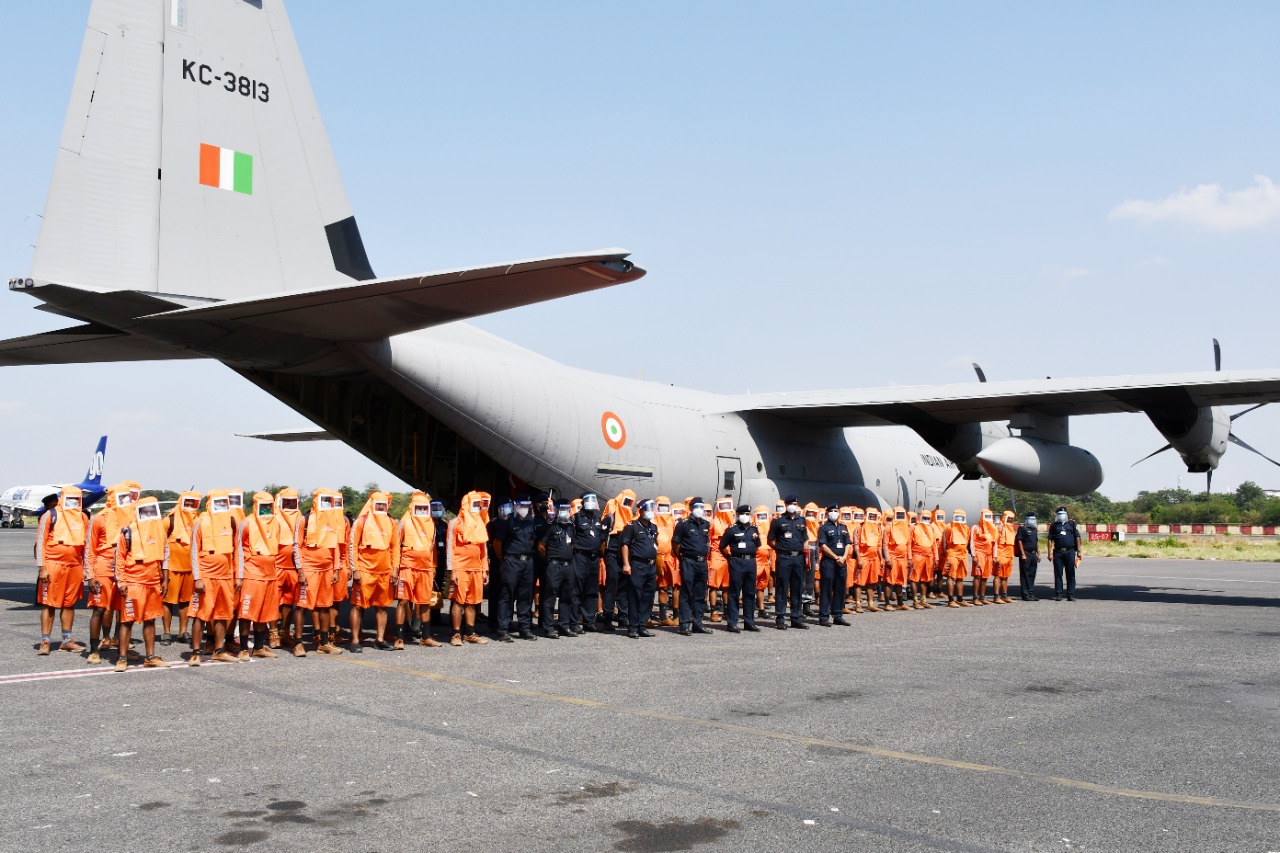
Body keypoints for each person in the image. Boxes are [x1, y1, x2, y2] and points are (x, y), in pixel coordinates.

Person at [110, 496, 170, 671]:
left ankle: (150, 656)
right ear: (138, 512)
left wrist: (165, 579)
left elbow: (165, 556)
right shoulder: (128, 531)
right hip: (133, 581)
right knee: (126, 620)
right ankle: (122, 657)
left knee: (150, 620)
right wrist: (121, 582)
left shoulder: (160, 531)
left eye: (153, 510)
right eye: (146, 511)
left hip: (152, 582)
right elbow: (119, 558)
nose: (150, 514)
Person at [84, 482, 135, 663]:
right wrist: (90, 576)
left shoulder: (132, 519)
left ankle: (122, 651)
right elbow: (90, 549)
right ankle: (93, 650)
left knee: (125, 612)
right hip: (103, 568)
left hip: (124, 569)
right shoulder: (100, 518)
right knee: (99, 609)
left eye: (127, 498)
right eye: (121, 498)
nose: (125, 502)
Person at [35, 486, 89, 656]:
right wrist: (42, 568)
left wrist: (86, 568)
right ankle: (45, 641)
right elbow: (40, 543)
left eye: (76, 499)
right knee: (49, 604)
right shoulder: (50, 515)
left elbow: (86, 546)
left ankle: (66, 640)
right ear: (62, 498)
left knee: (69, 604)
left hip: (74, 566)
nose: (73, 502)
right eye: (70, 498)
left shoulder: (82, 517)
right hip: (53, 565)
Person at [190, 491, 240, 664]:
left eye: (223, 503)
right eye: (217, 503)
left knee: (222, 614)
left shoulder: (232, 522)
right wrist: (197, 578)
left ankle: (219, 650)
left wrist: (238, 576)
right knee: (200, 614)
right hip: (206, 575)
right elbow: (194, 551)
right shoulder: (200, 523)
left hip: (225, 576)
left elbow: (237, 550)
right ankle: (196, 652)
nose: (221, 507)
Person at [293, 489, 345, 655]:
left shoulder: (333, 521)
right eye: (324, 500)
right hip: (309, 569)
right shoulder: (304, 520)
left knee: (325, 606)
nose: (327, 504)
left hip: (327, 570)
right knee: (302, 606)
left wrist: (336, 569)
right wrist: (300, 570)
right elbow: (297, 545)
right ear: (316, 501)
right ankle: (298, 643)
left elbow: (336, 546)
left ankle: (324, 642)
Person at [348, 491, 400, 651]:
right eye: (378, 504)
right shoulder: (361, 522)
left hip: (384, 572)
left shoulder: (391, 522)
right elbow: (352, 546)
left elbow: (395, 547)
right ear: (371, 504)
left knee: (382, 607)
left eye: (384, 505)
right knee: (358, 605)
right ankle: (355, 640)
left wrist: (395, 568)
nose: (381, 507)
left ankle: (380, 639)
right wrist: (355, 568)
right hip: (364, 570)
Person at [235, 492, 281, 660]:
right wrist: (239, 576)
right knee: (247, 613)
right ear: (256, 506)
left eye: (270, 506)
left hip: (270, 575)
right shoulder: (246, 524)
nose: (267, 509)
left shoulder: (276, 523)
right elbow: (238, 551)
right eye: (264, 506)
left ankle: (260, 647)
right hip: (251, 573)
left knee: (265, 613)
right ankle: (244, 649)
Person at [396, 491, 442, 647]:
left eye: (424, 507)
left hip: (426, 568)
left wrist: (433, 566)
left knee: (424, 602)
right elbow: (395, 547)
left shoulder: (431, 524)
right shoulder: (404, 522)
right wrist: (395, 569)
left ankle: (426, 637)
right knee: (403, 601)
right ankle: (399, 637)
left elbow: (433, 548)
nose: (422, 510)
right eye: (418, 507)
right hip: (407, 567)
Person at [447, 491, 491, 646]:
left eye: (479, 505)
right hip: (460, 567)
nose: (478, 507)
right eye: (475, 504)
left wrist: (485, 569)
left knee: (472, 602)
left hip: (476, 569)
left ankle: (470, 633)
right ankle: (456, 634)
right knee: (458, 601)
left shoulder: (480, 522)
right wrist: (452, 570)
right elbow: (450, 548)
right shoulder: (456, 522)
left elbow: (483, 548)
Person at [495, 493, 539, 642]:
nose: (525, 509)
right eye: (523, 506)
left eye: (527, 506)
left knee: (526, 597)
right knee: (507, 595)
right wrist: (504, 559)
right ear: (516, 506)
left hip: (527, 562)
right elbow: (497, 544)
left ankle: (524, 628)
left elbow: (533, 540)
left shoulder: (530, 522)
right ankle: (503, 629)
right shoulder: (507, 521)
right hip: (512, 561)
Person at [161, 491, 201, 646]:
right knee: (167, 601)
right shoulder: (169, 520)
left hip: (190, 568)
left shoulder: (200, 520)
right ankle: (166, 632)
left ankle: (183, 631)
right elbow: (161, 543)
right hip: (171, 567)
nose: (190, 505)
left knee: (186, 602)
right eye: (187, 502)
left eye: (193, 503)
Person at [671, 497, 712, 635]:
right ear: (690, 508)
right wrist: (682, 558)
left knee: (700, 593)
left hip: (702, 562)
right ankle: (684, 624)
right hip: (688, 561)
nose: (700, 509)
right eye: (697, 507)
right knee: (687, 592)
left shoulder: (706, 524)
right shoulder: (683, 524)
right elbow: (675, 544)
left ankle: (698, 623)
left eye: (702, 506)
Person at [719, 504, 762, 632]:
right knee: (734, 593)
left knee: (749, 593)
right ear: (738, 515)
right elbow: (722, 546)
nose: (745, 516)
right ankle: (732, 623)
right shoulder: (732, 529)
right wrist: (730, 558)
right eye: (743, 514)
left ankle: (749, 622)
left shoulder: (754, 528)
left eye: (748, 514)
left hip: (750, 562)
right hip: (737, 562)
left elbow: (757, 544)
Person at [620, 498, 659, 639]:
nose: (650, 512)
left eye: (652, 509)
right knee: (635, 596)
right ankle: (633, 627)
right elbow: (625, 545)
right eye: (648, 509)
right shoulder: (632, 526)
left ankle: (642, 625)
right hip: (638, 565)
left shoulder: (653, 527)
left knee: (648, 597)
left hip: (651, 566)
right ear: (641, 511)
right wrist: (626, 564)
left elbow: (656, 545)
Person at [767, 496, 807, 629]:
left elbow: (805, 538)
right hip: (784, 558)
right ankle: (780, 618)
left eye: (794, 504)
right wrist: (779, 550)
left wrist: (806, 554)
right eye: (790, 504)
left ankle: (796, 618)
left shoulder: (802, 520)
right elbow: (770, 539)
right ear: (785, 505)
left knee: (797, 588)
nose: (792, 506)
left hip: (798, 558)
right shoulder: (778, 520)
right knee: (782, 588)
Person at [537, 498, 576, 638]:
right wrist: (548, 560)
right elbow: (541, 546)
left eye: (567, 509)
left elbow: (573, 544)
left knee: (567, 597)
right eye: (563, 509)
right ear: (558, 510)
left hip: (568, 566)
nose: (566, 512)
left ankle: (564, 625)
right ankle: (548, 627)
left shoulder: (571, 527)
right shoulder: (551, 526)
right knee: (550, 596)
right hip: (554, 565)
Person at [570, 491, 606, 635]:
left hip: (594, 558)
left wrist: (600, 555)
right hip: (580, 556)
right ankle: (574, 622)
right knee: (576, 589)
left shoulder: (597, 519)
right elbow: (571, 538)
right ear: (583, 502)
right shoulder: (576, 518)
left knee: (591, 590)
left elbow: (602, 539)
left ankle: (589, 621)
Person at [272, 488, 304, 653]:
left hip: (293, 567)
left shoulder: (300, 517)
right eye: (287, 501)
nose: (290, 505)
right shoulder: (273, 516)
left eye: (293, 501)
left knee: (289, 602)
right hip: (276, 565)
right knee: (274, 602)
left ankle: (285, 632)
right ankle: (273, 634)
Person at [602, 490, 637, 632]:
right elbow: (603, 539)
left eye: (631, 502)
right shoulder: (611, 515)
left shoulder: (630, 516)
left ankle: (623, 617)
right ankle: (608, 619)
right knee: (612, 586)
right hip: (612, 551)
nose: (628, 505)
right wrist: (605, 556)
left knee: (624, 586)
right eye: (626, 501)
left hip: (625, 552)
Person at [816, 504, 852, 626]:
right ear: (827, 514)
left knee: (840, 588)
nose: (834, 513)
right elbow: (823, 546)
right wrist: (836, 557)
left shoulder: (843, 527)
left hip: (842, 561)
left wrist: (844, 557)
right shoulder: (824, 528)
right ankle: (824, 616)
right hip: (829, 561)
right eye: (831, 511)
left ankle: (838, 615)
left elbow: (848, 543)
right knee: (826, 589)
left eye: (836, 511)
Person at [706, 497, 735, 622]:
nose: (725, 509)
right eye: (722, 506)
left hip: (729, 557)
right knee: (713, 585)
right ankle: (714, 611)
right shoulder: (713, 522)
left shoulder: (732, 522)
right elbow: (707, 539)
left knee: (727, 586)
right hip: (716, 556)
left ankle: (727, 611)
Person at [653, 497, 680, 627]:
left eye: (666, 506)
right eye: (661, 505)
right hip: (655, 558)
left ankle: (665, 616)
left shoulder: (673, 521)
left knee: (665, 587)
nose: (663, 508)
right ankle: (646, 616)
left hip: (669, 558)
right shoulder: (652, 520)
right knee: (650, 587)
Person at [852, 507, 883, 613]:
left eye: (875, 516)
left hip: (874, 559)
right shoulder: (859, 527)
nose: (873, 518)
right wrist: (859, 559)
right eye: (871, 516)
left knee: (871, 582)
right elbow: (856, 545)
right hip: (863, 558)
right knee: (859, 582)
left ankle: (870, 604)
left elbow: (879, 545)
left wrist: (881, 558)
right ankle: (857, 604)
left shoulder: (878, 528)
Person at [1048, 505, 1082, 601]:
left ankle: (1070, 594)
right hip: (1058, 552)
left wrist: (1079, 551)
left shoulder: (1071, 524)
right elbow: (1050, 539)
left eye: (1063, 514)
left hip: (1070, 551)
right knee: (1058, 573)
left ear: (1066, 514)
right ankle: (1059, 593)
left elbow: (1077, 537)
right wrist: (1050, 553)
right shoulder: (1054, 525)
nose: (1061, 516)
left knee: (1070, 573)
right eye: (1060, 514)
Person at [882, 506, 911, 611]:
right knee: (889, 581)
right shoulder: (888, 527)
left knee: (900, 580)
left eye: (902, 514)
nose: (900, 516)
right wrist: (887, 559)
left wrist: (909, 558)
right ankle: (887, 603)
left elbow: (908, 544)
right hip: (892, 558)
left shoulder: (907, 527)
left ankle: (900, 603)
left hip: (903, 559)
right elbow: (884, 544)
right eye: (898, 514)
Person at [943, 509, 971, 608]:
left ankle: (960, 599)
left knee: (960, 578)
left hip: (963, 555)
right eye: (958, 516)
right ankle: (951, 600)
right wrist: (947, 554)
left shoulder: (967, 528)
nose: (959, 518)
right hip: (952, 554)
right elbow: (944, 542)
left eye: (961, 516)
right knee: (951, 577)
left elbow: (967, 541)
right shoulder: (949, 526)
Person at [969, 509, 997, 605]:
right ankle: (975, 597)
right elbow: (972, 542)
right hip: (979, 554)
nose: (988, 519)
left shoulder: (993, 529)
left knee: (985, 576)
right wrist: (973, 555)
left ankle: (982, 597)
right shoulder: (976, 527)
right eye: (986, 516)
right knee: (977, 576)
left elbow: (994, 543)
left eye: (990, 516)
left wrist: (995, 555)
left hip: (988, 555)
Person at [909, 510, 936, 610]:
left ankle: (923, 600)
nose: (926, 520)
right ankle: (915, 601)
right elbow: (909, 544)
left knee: (925, 579)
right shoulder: (914, 527)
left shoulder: (931, 528)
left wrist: (936, 557)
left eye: (928, 518)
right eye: (924, 518)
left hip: (928, 556)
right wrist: (910, 557)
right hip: (917, 555)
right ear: (920, 517)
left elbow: (934, 545)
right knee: (914, 578)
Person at [993, 510, 1017, 604]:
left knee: (1005, 577)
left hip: (1009, 556)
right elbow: (994, 542)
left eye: (1012, 518)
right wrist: (996, 556)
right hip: (1001, 555)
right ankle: (996, 597)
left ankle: (1004, 596)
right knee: (998, 576)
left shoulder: (1011, 529)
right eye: (1009, 518)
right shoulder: (999, 527)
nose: (1010, 520)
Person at [1015, 513, 1040, 600]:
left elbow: (1036, 542)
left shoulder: (1034, 529)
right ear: (1027, 519)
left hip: (1033, 554)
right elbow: (1019, 541)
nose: (1033, 520)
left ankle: (1031, 593)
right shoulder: (1022, 528)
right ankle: (1025, 594)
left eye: (1034, 519)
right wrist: (1022, 554)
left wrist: (1038, 554)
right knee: (1025, 574)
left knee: (1032, 574)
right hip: (1026, 553)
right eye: (1031, 519)